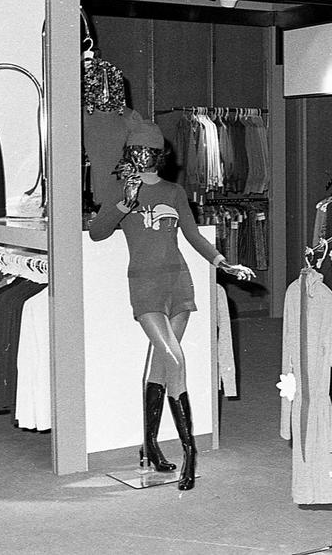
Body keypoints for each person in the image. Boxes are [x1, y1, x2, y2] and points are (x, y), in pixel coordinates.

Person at [89, 119, 254, 490]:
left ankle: (149, 447)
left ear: (159, 157)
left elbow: (193, 235)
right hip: (145, 286)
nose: (145, 159)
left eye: (150, 153)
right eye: (139, 152)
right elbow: (98, 232)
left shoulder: (174, 191)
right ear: (131, 154)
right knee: (175, 358)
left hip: (178, 281)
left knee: (162, 365)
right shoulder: (119, 190)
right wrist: (122, 203)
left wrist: (222, 263)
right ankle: (189, 452)